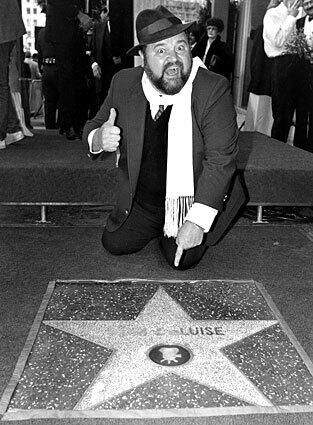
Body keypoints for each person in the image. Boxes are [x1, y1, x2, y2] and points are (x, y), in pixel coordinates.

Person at [83, 6, 246, 270]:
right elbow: (92, 127)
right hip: (143, 203)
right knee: (114, 244)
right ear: (143, 58)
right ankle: (156, 227)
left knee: (181, 262)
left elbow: (221, 161)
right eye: (161, 50)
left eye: (180, 47)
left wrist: (196, 222)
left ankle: (177, 228)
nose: (174, 59)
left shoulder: (211, 89)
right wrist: (99, 138)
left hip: (191, 203)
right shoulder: (124, 83)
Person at [45, 0, 92, 140]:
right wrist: (78, 14)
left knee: (77, 78)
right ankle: (71, 124)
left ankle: (73, 123)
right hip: (62, 33)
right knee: (69, 79)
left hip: (72, 32)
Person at [263, 0, 302, 143]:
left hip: (300, 65)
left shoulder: (303, 13)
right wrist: (291, 17)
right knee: (282, 117)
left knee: (301, 116)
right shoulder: (272, 14)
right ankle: (276, 157)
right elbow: (277, 41)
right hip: (282, 65)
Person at [0, 0, 26, 149]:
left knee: (1, 83)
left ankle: (1, 135)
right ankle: (12, 128)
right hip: (8, 26)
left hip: (4, 26)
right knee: (2, 81)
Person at [293, 0, 313, 152]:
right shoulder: (299, 22)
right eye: (305, 3)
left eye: (311, 2)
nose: (309, 6)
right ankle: (298, 148)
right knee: (301, 108)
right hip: (300, 71)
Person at [90, 5, 116, 109]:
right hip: (102, 75)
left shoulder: (122, 25)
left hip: (117, 73)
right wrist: (94, 65)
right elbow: (93, 52)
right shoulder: (98, 27)